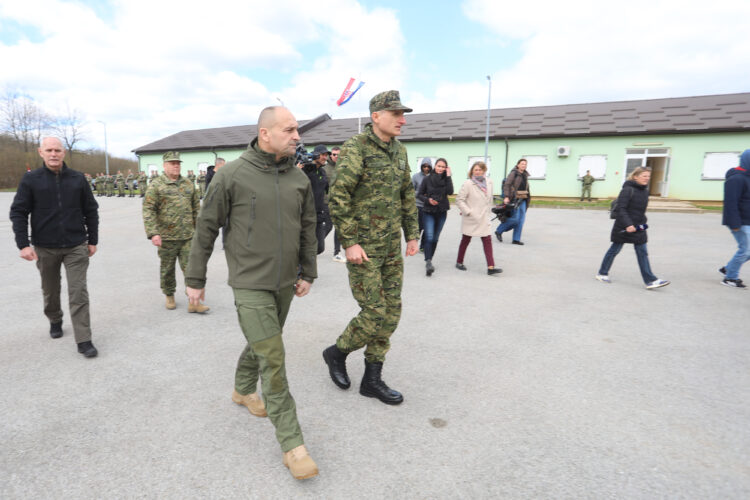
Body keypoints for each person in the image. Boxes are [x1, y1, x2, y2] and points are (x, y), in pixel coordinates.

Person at [185, 106, 319, 480]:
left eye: (297, 130)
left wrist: (308, 270)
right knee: (273, 356)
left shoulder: (299, 179)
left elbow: (308, 226)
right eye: (289, 130)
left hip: (286, 282)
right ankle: (293, 445)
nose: (297, 136)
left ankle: (243, 389)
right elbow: (206, 227)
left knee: (264, 342)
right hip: (249, 282)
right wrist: (195, 277)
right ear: (265, 133)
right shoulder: (231, 175)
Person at [324, 90, 419, 406]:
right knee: (375, 311)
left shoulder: (400, 151)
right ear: (376, 116)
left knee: (391, 312)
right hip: (364, 248)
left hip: (391, 246)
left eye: (403, 115)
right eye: (396, 114)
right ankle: (337, 352)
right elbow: (339, 196)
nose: (402, 121)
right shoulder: (357, 148)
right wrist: (349, 241)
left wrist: (412, 234)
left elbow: (406, 193)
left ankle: (372, 379)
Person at [9, 137, 100, 358]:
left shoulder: (78, 179)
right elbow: (19, 212)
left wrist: (92, 240)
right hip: (45, 247)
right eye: (49, 150)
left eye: (57, 150)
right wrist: (23, 244)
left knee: (78, 292)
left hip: (75, 245)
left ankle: (84, 339)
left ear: (63, 153)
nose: (53, 154)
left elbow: (91, 210)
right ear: (40, 152)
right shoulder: (31, 179)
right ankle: (55, 318)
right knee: (50, 290)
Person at [142, 151, 209, 312]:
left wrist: (199, 230)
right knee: (167, 269)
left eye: (178, 163)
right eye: (172, 163)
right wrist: (153, 232)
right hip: (166, 237)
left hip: (188, 235)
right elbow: (148, 209)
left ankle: (193, 302)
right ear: (164, 166)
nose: (176, 166)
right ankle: (169, 295)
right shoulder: (156, 185)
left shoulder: (188, 184)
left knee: (192, 269)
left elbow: (196, 208)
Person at [595, 167, 670, 289]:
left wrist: (643, 222)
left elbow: (640, 211)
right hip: (624, 226)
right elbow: (621, 209)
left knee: (642, 252)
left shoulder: (645, 191)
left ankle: (650, 280)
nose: (647, 178)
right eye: (644, 176)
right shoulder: (627, 190)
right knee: (614, 250)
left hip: (638, 227)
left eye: (648, 176)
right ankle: (602, 273)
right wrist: (628, 224)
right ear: (635, 177)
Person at [454, 161, 502, 276]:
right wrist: (468, 212)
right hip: (472, 218)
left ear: (484, 170)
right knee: (466, 240)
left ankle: (490, 267)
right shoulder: (468, 184)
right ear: (472, 171)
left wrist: (490, 211)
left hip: (484, 217)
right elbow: (459, 200)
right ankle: (459, 262)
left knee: (487, 240)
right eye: (475, 170)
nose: (478, 172)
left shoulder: (489, 182)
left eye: (480, 169)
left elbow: (489, 200)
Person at [719, 149, 750, 288]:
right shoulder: (736, 179)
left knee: (747, 250)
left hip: (747, 220)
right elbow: (730, 203)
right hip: (740, 222)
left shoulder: (747, 177)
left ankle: (729, 268)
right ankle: (730, 278)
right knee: (745, 250)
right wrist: (734, 223)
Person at [417, 157, 453, 276]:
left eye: (443, 167)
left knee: (435, 238)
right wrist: (428, 200)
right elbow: (419, 194)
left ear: (446, 168)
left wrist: (449, 176)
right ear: (435, 166)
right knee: (429, 236)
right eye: (439, 166)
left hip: (441, 212)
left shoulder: (446, 179)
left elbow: (450, 192)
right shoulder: (427, 179)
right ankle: (428, 262)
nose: (440, 168)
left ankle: (430, 260)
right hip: (428, 211)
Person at [302, 145, 332, 255]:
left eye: (326, 155)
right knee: (306, 246)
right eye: (323, 155)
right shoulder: (306, 169)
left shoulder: (322, 172)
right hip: (306, 214)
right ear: (315, 155)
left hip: (319, 214)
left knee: (319, 247)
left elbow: (326, 190)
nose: (325, 157)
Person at [495, 158, 530, 245]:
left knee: (521, 220)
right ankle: (499, 230)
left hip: (523, 199)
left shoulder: (525, 175)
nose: (524, 165)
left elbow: (526, 188)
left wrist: (528, 198)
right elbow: (507, 185)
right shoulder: (514, 173)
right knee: (515, 219)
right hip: (515, 199)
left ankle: (516, 239)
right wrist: (506, 196)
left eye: (525, 164)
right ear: (518, 165)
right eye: (522, 164)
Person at [323, 146, 346, 262]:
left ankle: (337, 253)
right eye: (334, 154)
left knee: (339, 228)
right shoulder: (325, 169)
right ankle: (312, 247)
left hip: (340, 202)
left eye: (338, 154)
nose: (336, 156)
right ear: (330, 155)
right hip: (327, 203)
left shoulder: (344, 167)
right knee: (328, 226)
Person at [412, 159, 432, 253]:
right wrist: (420, 193)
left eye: (428, 167)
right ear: (421, 166)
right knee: (418, 227)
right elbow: (411, 191)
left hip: (429, 205)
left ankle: (423, 246)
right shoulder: (415, 177)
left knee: (427, 227)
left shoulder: (433, 177)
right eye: (424, 166)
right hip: (418, 205)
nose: (426, 168)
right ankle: (414, 244)